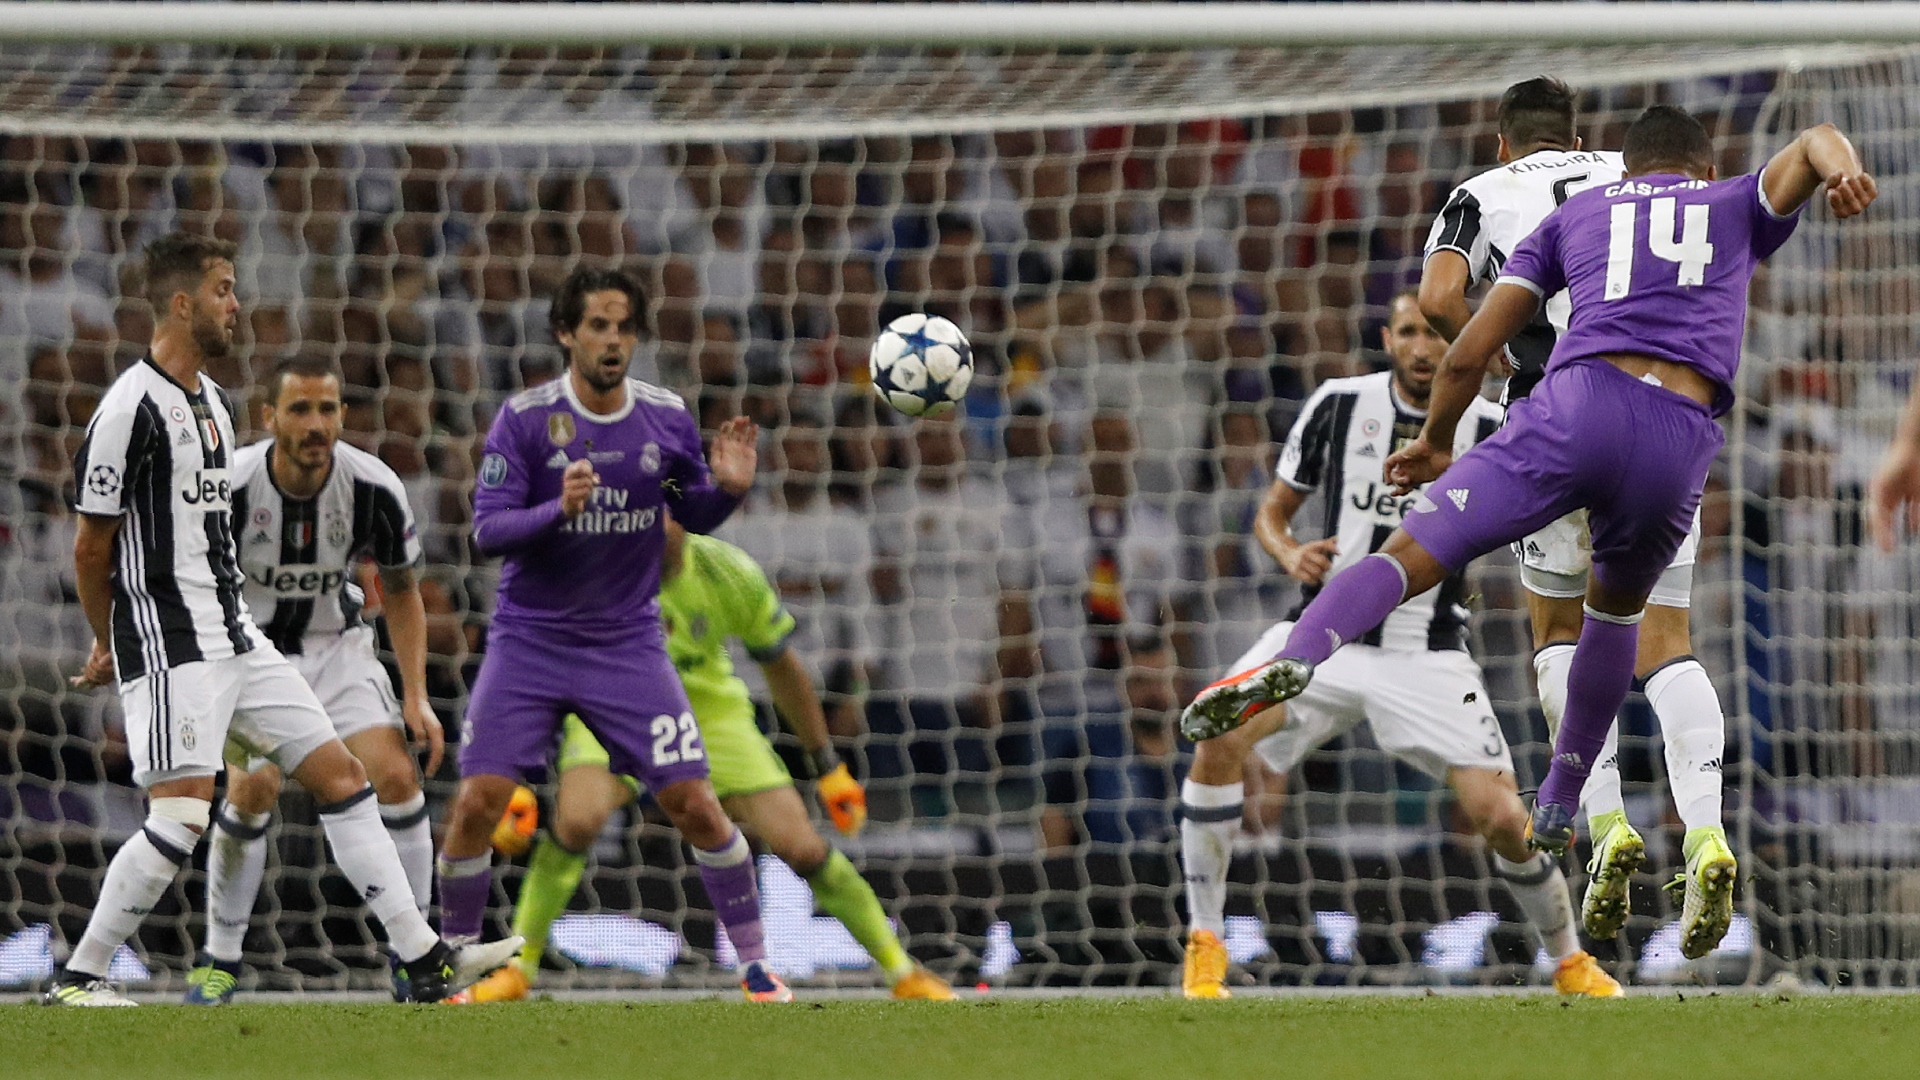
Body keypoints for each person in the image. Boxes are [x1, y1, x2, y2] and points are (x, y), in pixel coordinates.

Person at [1184, 108, 1876, 963]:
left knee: (1416, 561)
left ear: (1625, 166)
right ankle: (1584, 802)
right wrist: (1841, 170)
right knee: (1627, 630)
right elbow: (1812, 140)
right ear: (1699, 167)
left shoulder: (1572, 217)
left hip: (1569, 411)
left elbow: (1468, 341)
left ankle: (1307, 649)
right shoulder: (1728, 202)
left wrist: (1437, 438)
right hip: (1677, 439)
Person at [48, 233, 518, 1006]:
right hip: (171, 641)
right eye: (224, 290)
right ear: (181, 303)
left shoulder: (214, 406)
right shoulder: (127, 409)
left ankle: (423, 959)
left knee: (342, 776)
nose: (236, 305)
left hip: (237, 634)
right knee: (182, 817)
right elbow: (90, 545)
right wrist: (110, 639)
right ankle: (81, 974)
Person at [1176, 292, 1617, 1000]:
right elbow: (1272, 511)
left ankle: (1569, 961)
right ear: (1388, 337)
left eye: (1436, 334)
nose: (1421, 347)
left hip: (1428, 651)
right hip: (1321, 638)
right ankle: (1204, 944)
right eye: (1408, 331)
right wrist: (1288, 552)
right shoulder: (1338, 404)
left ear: (1461, 344)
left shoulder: (1493, 424)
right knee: (1217, 739)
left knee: (1503, 817)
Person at [1418, 76, 1727, 942]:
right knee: (1665, 639)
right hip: (1665, 419)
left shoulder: (1480, 193)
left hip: (1557, 419)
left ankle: (1605, 825)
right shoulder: (1634, 177)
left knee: (1558, 632)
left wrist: (1511, 356)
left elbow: (1441, 300)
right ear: (1582, 134)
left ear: (1504, 141)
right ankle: (1704, 829)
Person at [432, 267, 785, 1001]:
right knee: (477, 804)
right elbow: (489, 530)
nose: (613, 340)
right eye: (598, 325)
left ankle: (755, 965)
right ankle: (454, 966)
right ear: (566, 333)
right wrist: (554, 510)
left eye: (624, 326)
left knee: (694, 805)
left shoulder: (665, 417)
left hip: (626, 644)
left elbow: (692, 515)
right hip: (530, 642)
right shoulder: (524, 419)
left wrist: (729, 491)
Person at [460, 518, 955, 1002]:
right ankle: (519, 970)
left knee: (801, 846)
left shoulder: (727, 571)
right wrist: (514, 778)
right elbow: (532, 674)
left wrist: (828, 767)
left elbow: (783, 669)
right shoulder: (585, 572)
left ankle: (900, 970)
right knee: (579, 818)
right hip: (608, 700)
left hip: (709, 709)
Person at [181, 355, 446, 1003]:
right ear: (268, 418)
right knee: (253, 789)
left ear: (342, 416)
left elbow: (404, 590)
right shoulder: (232, 487)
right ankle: (220, 958)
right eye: (299, 409)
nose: (315, 424)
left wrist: (415, 694)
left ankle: (413, 952)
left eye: (327, 409)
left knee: (397, 776)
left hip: (337, 649)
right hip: (250, 653)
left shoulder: (373, 485)